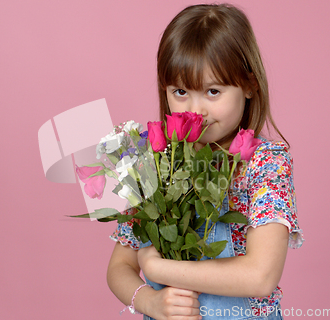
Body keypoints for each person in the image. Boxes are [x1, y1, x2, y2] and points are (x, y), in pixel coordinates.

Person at [107, 3, 304, 320]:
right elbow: (120, 266)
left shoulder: (264, 163)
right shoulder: (155, 164)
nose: (195, 109)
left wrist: (159, 267)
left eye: (213, 91)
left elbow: (261, 276)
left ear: (250, 86)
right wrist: (148, 302)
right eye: (181, 90)